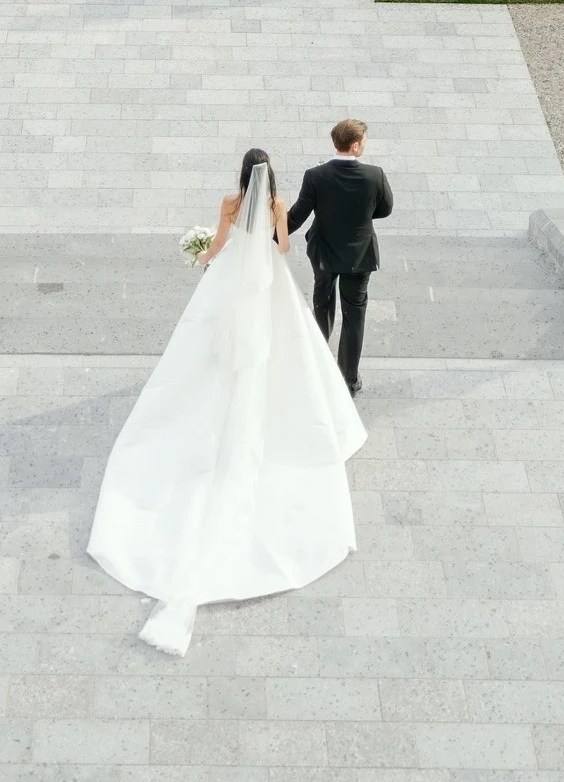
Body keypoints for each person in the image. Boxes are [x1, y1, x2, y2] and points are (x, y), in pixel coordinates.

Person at [87, 147, 366, 655]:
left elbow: (219, 246)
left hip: (233, 281)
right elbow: (283, 247)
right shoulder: (276, 206)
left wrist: (202, 256)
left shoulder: (230, 203)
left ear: (242, 175)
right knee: (286, 348)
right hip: (266, 285)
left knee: (208, 347)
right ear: (271, 176)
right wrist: (274, 233)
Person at [285, 119, 393, 395]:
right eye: (364, 142)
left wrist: (269, 235)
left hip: (324, 253)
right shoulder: (375, 175)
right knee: (354, 314)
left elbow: (297, 215)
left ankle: (317, 366)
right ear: (355, 146)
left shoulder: (315, 176)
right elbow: (385, 209)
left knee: (322, 304)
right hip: (360, 255)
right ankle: (349, 379)